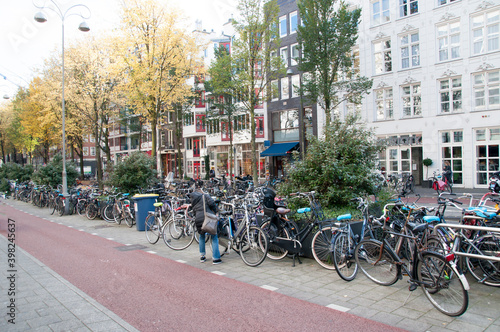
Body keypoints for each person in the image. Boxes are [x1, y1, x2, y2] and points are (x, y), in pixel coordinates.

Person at [188, 187, 221, 264]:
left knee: (202, 236)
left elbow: (194, 210)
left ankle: (202, 256)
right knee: (214, 236)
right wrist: (216, 211)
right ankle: (216, 258)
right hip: (207, 218)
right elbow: (212, 204)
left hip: (198, 219)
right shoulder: (205, 196)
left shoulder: (193, 199)